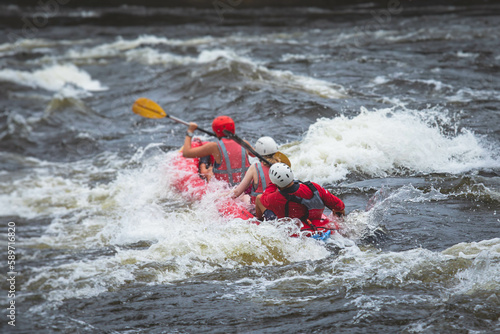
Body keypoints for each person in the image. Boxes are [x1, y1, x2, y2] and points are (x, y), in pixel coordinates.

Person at [255, 163, 345, 230]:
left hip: (294, 229)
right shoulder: (313, 187)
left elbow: (264, 196)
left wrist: (273, 184)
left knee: (259, 198)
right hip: (317, 222)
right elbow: (339, 205)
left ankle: (259, 222)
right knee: (337, 208)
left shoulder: (274, 198)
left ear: (275, 182)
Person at [182, 116, 251, 186]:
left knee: (210, 170)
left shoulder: (213, 147)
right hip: (244, 187)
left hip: (224, 190)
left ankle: (203, 166)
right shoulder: (245, 143)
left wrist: (190, 131)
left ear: (215, 131)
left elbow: (186, 153)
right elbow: (254, 155)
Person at [229, 136, 280, 204]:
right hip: (276, 205)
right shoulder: (282, 166)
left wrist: (221, 197)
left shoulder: (254, 167)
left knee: (243, 196)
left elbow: (237, 193)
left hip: (259, 207)